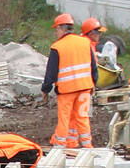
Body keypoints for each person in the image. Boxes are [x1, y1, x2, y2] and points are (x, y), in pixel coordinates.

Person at [41, 13, 97, 150]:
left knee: (64, 119)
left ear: (62, 29)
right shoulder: (85, 42)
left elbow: (51, 73)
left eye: (56, 30)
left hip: (66, 91)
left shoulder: (57, 47)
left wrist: (45, 89)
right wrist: (93, 84)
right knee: (83, 117)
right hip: (85, 88)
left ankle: (59, 146)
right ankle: (87, 146)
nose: (56, 33)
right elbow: (93, 66)